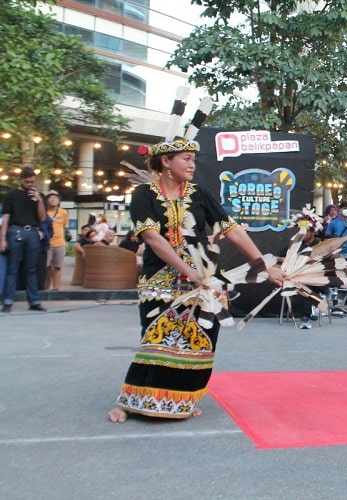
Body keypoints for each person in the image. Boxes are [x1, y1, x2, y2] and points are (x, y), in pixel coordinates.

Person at [108, 133, 285, 423]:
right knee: (156, 339)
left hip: (204, 279)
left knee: (201, 338)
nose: (192, 166)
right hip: (162, 278)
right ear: (165, 161)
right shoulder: (144, 195)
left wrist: (264, 266)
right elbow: (154, 239)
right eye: (186, 159)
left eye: (193, 160)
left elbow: (233, 230)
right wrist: (189, 272)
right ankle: (130, 401)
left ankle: (180, 400)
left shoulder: (199, 194)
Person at [1, 167, 47, 313]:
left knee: (31, 269)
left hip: (32, 231)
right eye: (27, 181)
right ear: (20, 180)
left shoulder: (37, 196)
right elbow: (6, 217)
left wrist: (39, 200)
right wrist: (2, 239)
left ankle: (34, 301)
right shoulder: (11, 195)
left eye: (32, 181)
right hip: (15, 230)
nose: (29, 184)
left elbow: (43, 218)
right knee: (12, 268)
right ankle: (8, 301)